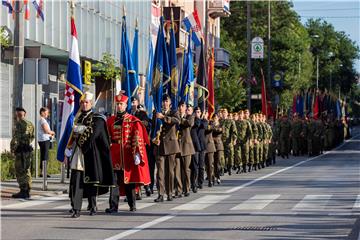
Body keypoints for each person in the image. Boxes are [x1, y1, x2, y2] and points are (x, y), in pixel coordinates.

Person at [66, 92, 114, 218]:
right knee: (76, 181)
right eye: (82, 102)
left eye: (86, 102)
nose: (84, 104)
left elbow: (95, 133)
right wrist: (69, 146)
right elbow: (73, 133)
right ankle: (76, 208)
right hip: (78, 154)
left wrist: (80, 130)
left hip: (91, 153)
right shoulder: (78, 117)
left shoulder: (97, 118)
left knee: (92, 181)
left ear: (91, 104)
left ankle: (93, 206)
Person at [106, 92, 151, 212]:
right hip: (115, 154)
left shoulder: (133, 120)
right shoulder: (110, 120)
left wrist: (137, 153)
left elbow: (138, 137)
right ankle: (113, 206)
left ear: (126, 105)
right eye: (118, 104)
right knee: (114, 181)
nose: (119, 106)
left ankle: (132, 204)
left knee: (129, 180)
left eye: (121, 104)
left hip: (127, 154)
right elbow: (106, 136)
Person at [154, 94, 180, 202]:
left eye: (166, 101)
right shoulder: (156, 113)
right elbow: (153, 127)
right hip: (160, 145)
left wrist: (163, 118)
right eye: (163, 101)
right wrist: (153, 138)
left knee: (170, 171)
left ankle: (169, 193)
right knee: (160, 171)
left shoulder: (174, 112)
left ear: (170, 103)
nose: (164, 103)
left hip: (170, 145)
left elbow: (177, 121)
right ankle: (160, 194)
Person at [10, 107, 34, 199]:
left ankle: (23, 190)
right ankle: (27, 190)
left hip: (20, 151)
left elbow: (15, 138)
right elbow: (32, 137)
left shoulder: (19, 124)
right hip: (28, 149)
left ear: (17, 114)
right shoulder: (30, 124)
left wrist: (12, 149)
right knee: (26, 170)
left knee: (20, 170)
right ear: (25, 113)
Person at [177, 101, 195, 197]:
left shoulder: (189, 116)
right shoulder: (176, 116)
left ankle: (187, 188)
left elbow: (189, 123)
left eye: (183, 106)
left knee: (186, 169)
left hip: (186, 146)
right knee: (178, 170)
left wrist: (180, 119)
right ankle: (179, 189)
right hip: (177, 146)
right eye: (180, 106)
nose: (181, 108)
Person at [38, 107, 55, 177]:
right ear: (42, 112)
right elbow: (46, 130)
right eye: (46, 113)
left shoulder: (42, 120)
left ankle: (42, 171)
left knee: (43, 155)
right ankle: (43, 172)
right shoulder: (42, 120)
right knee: (45, 156)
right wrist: (52, 132)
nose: (47, 114)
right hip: (44, 139)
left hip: (42, 139)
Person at [212, 113, 224, 184]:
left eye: (217, 117)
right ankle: (212, 176)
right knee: (212, 162)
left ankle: (218, 176)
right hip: (212, 145)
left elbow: (220, 131)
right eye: (214, 117)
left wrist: (213, 129)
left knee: (218, 161)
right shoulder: (211, 124)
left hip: (219, 145)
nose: (215, 118)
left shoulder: (221, 125)